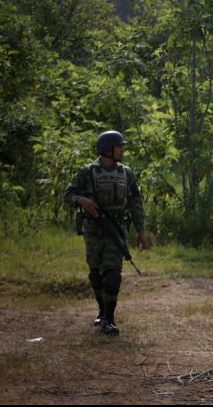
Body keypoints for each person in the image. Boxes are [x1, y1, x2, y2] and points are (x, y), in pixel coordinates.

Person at [63, 130, 148, 336]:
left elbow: (136, 202)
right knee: (95, 274)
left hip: (116, 230)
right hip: (93, 230)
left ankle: (109, 319)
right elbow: (68, 195)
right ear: (107, 150)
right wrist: (82, 200)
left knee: (113, 276)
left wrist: (141, 230)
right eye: (120, 147)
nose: (123, 150)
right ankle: (101, 309)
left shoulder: (126, 173)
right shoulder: (87, 172)